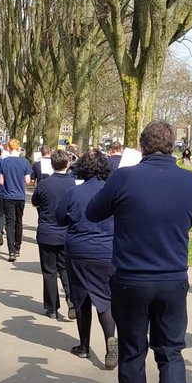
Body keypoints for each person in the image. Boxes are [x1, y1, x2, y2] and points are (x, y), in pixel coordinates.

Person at [87, 120, 192, 383]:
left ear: (142, 147)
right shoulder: (189, 180)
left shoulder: (125, 178)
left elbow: (93, 212)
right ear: (173, 146)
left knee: (133, 352)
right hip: (172, 278)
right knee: (171, 354)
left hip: (131, 279)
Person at [55, 150, 116, 367]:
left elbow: (59, 218)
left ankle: (84, 346)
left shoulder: (74, 192)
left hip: (79, 250)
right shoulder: (112, 192)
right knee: (105, 298)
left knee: (81, 299)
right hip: (107, 251)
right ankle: (110, 338)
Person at [30, 149, 75, 319]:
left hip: (47, 231)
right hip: (66, 233)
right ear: (67, 163)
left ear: (51, 164)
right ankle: (71, 298)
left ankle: (52, 308)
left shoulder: (44, 184)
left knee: (49, 271)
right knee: (65, 268)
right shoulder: (73, 184)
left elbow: (35, 202)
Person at [0, 138, 32, 261]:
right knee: (19, 221)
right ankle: (18, 247)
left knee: (9, 222)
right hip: (20, 196)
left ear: (8, 147)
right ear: (18, 148)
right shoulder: (24, 162)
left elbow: (1, 181)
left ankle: (11, 251)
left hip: (8, 195)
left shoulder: (4, 162)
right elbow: (28, 181)